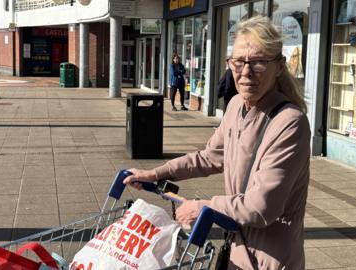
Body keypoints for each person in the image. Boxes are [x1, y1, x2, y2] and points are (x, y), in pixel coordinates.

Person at [124, 16, 310, 269]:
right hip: (237, 249)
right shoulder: (235, 106)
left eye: (258, 62)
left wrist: (203, 207)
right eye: (238, 62)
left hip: (270, 259)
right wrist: (154, 174)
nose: (246, 72)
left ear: (278, 66)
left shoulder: (289, 122)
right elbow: (209, 157)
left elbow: (261, 207)